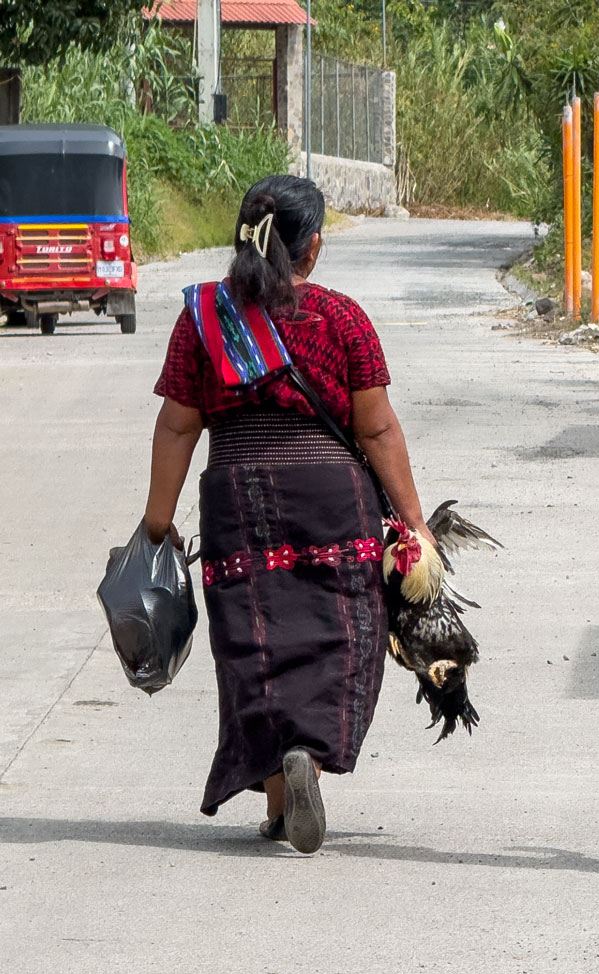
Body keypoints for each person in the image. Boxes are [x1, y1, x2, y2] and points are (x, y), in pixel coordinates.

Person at [144, 174, 435, 854]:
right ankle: (310, 753)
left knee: (256, 646)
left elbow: (179, 426)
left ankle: (280, 796)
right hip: (333, 497)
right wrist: (413, 520)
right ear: (312, 249)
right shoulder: (340, 318)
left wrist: (157, 524)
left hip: (238, 500)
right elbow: (378, 429)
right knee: (339, 635)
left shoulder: (203, 320)